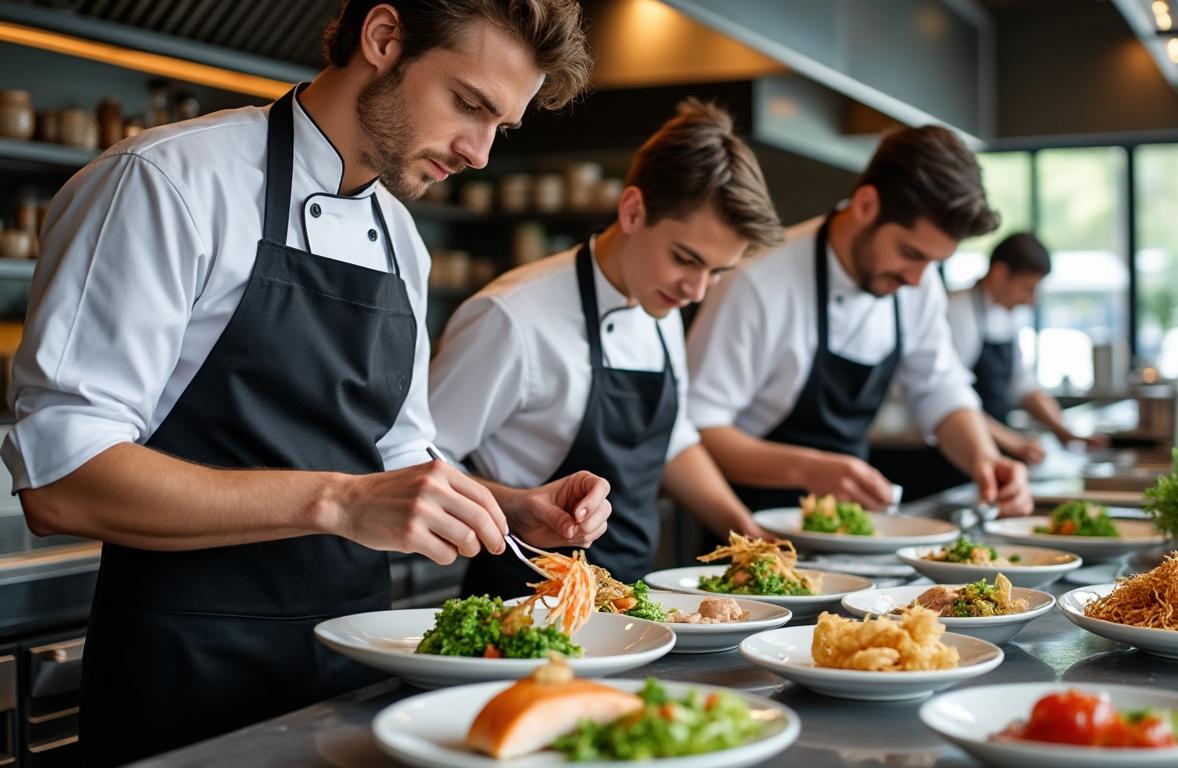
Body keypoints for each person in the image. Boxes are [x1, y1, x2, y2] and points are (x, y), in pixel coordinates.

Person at [5, 2, 599, 763]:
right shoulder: (167, 182)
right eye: (468, 103)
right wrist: (339, 502)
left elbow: (396, 454)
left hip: (356, 669)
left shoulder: (402, 241)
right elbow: (63, 481)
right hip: (189, 677)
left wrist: (509, 509)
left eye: (500, 127)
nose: (480, 153)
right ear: (383, 38)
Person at [427, 99, 785, 596]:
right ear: (633, 210)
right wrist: (513, 503)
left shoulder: (660, 304)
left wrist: (747, 531)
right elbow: (422, 459)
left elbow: (674, 440)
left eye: (718, 272)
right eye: (685, 259)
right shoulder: (512, 317)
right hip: (520, 605)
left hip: (630, 603)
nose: (697, 290)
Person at [686, 125, 1032, 516]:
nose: (916, 279)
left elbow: (938, 388)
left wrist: (985, 458)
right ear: (866, 205)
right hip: (747, 522)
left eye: (933, 263)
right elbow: (698, 426)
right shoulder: (757, 281)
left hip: (851, 525)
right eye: (911, 253)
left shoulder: (918, 284)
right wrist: (809, 470)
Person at [946, 232, 1107, 464]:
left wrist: (1063, 431)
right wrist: (1013, 442)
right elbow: (951, 396)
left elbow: (1023, 384)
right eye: (1027, 287)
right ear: (1000, 274)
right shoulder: (957, 312)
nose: (1031, 300)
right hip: (953, 451)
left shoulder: (1006, 315)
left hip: (989, 449)